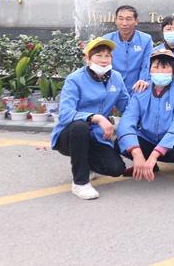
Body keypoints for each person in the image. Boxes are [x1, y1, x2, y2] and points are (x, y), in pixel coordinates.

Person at [51, 38, 129, 200]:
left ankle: (87, 165)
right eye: (98, 55)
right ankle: (80, 182)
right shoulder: (75, 79)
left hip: (97, 136)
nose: (103, 60)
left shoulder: (116, 78)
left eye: (107, 55)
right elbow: (65, 114)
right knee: (80, 127)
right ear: (88, 58)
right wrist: (96, 118)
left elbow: (127, 106)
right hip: (71, 135)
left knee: (116, 168)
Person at [115, 49, 174, 183]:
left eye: (165, 67)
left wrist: (154, 155)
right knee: (122, 141)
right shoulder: (141, 91)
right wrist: (137, 153)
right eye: (155, 67)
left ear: (173, 71)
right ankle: (145, 165)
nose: (160, 71)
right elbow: (127, 121)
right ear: (149, 70)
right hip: (150, 138)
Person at [103, 5, 152, 94]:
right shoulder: (107, 40)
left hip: (137, 88)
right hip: (112, 89)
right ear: (115, 20)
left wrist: (142, 83)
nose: (124, 23)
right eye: (121, 19)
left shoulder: (145, 40)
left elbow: (146, 65)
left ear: (136, 21)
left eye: (128, 19)